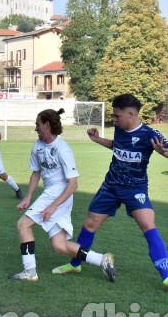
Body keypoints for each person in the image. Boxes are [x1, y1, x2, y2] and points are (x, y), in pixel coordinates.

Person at [54, 94, 168, 291]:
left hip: (135, 188)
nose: (113, 119)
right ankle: (75, 265)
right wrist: (97, 139)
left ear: (131, 114)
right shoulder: (120, 129)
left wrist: (164, 152)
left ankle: (167, 279)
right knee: (89, 224)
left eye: (117, 116)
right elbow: (118, 147)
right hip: (110, 187)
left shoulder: (150, 134)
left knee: (148, 226)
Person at [9, 109, 115, 282]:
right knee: (59, 245)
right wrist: (28, 197)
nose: (36, 128)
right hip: (51, 194)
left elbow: (73, 184)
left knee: (23, 225)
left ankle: (30, 271)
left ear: (47, 125)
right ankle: (103, 260)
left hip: (59, 195)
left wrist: (53, 206)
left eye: (38, 125)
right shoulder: (38, 145)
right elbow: (36, 173)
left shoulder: (63, 149)